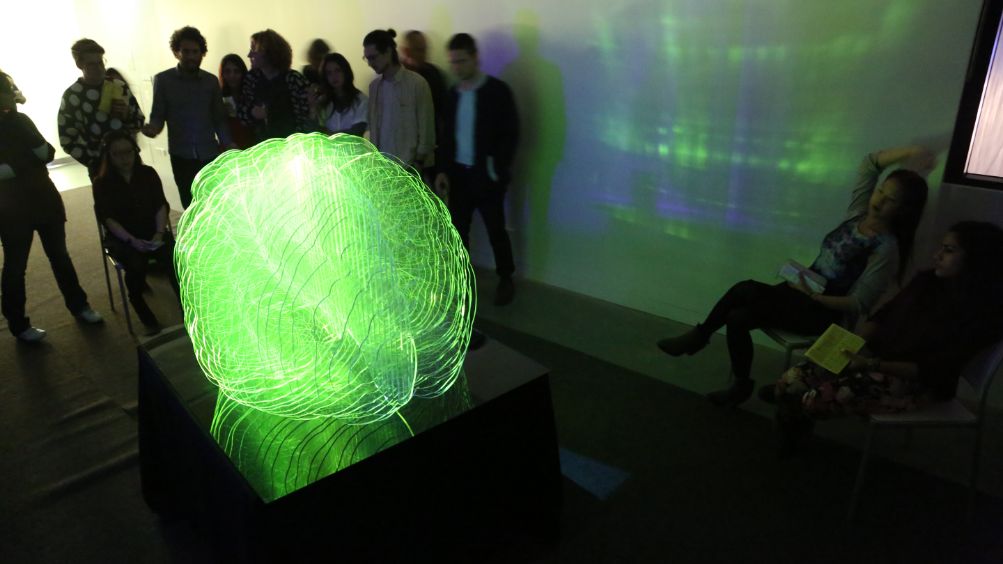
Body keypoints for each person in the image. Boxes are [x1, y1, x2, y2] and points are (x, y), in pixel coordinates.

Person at [657, 146, 933, 407]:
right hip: (802, 291)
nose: (879, 200)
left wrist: (815, 296)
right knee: (737, 317)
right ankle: (738, 383)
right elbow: (870, 164)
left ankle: (701, 336)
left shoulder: (885, 248)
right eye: (881, 191)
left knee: (745, 289)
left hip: (821, 311)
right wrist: (910, 152)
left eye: (890, 199)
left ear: (903, 210)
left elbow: (858, 304)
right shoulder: (857, 215)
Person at [769, 221, 1003, 453]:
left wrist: (871, 364)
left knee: (816, 399)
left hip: (916, 383)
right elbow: (883, 315)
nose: (937, 255)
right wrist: (851, 345)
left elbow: (934, 369)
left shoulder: (981, 314)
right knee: (791, 381)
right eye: (942, 248)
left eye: (949, 250)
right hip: (874, 357)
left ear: (976, 259)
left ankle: (793, 433)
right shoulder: (927, 282)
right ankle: (793, 426)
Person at [0, 73, 102, 342]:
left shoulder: (21, 121)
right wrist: (24, 164)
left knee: (59, 256)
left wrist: (17, 165)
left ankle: (79, 306)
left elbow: (47, 153)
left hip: (43, 199)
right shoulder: (18, 121)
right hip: (12, 208)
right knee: (15, 265)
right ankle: (18, 324)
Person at [434, 33, 520, 306]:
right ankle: (462, 281)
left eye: (461, 61)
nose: (456, 67)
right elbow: (447, 136)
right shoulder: (452, 95)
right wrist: (443, 170)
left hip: (486, 176)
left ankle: (505, 277)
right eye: (453, 62)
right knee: (459, 232)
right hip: (459, 175)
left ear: (475, 58)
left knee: (496, 230)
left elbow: (510, 133)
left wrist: (496, 168)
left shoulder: (497, 91)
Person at [92, 130, 180, 336]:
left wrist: (159, 233)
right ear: (109, 156)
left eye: (128, 152)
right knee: (136, 264)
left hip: (153, 230)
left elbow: (160, 205)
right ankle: (137, 300)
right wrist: (132, 240)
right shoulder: (102, 183)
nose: (124, 158)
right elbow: (108, 218)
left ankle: (186, 304)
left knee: (174, 259)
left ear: (135, 151)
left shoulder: (148, 174)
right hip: (123, 237)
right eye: (117, 154)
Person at [141, 26, 233, 209]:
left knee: (216, 203)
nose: (191, 56)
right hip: (181, 156)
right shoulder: (163, 80)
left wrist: (229, 144)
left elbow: (218, 118)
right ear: (177, 52)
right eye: (186, 51)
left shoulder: (211, 81)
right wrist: (151, 129)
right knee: (190, 205)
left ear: (202, 53)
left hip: (209, 153)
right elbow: (158, 116)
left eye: (195, 52)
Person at [58, 38, 145, 180]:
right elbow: (67, 139)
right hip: (100, 169)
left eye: (100, 62)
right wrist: (94, 161)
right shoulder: (72, 96)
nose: (99, 68)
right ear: (79, 64)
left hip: (131, 162)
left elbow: (139, 122)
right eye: (92, 64)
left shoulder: (118, 86)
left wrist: (126, 115)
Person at [363, 28, 435, 169]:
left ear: (388, 52)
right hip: (383, 168)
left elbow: (426, 132)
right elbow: (374, 128)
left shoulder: (417, 84)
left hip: (409, 168)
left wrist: (418, 163)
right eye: (367, 58)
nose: (369, 63)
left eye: (373, 57)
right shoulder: (374, 87)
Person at [238, 29, 312, 143]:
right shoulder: (251, 79)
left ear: (269, 53)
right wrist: (252, 113)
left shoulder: (294, 79)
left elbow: (304, 118)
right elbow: (242, 114)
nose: (249, 55)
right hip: (261, 146)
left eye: (254, 50)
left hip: (291, 145)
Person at [311, 53, 367, 136]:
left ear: (345, 71)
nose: (334, 76)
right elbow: (315, 133)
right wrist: (312, 107)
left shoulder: (360, 100)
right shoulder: (324, 102)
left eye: (338, 70)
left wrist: (328, 134)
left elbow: (356, 132)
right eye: (329, 73)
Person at [218, 54, 255, 149]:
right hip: (227, 149)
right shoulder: (218, 97)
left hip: (251, 147)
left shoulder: (251, 95)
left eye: (236, 71)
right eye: (227, 71)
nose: (232, 76)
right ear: (222, 74)